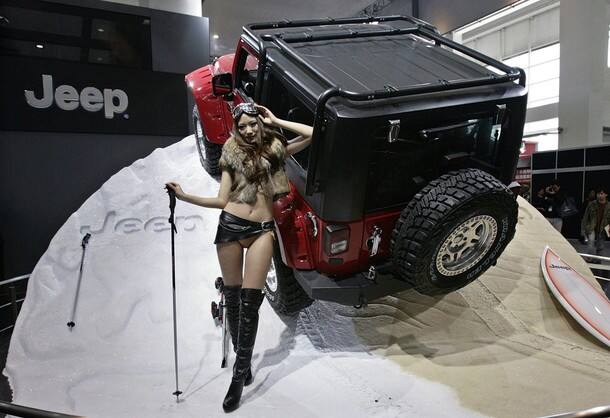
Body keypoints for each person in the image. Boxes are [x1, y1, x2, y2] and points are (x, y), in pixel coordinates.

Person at [166, 102, 313, 412]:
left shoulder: (275, 151)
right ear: (236, 128)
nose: (248, 130)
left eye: (252, 124)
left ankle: (237, 377)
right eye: (242, 125)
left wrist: (275, 118)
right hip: (230, 227)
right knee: (232, 299)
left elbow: (312, 134)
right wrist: (184, 196)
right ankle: (243, 364)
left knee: (251, 302)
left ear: (260, 124)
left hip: (262, 230)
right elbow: (222, 200)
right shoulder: (230, 156)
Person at [581, 186, 610, 256]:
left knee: (600, 246)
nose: (600, 195)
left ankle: (598, 260)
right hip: (591, 227)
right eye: (598, 194)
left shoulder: (609, 206)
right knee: (591, 242)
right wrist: (582, 230)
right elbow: (585, 217)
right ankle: (589, 258)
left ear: (606, 194)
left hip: (603, 228)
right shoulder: (591, 204)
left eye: (602, 193)